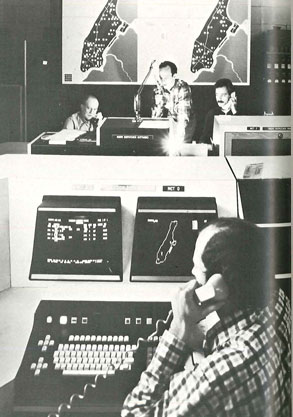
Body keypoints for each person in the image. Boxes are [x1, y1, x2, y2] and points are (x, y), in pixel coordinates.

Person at [122, 218, 291, 417]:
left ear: (217, 287)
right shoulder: (275, 297)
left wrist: (179, 328)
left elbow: (134, 412)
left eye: (197, 268)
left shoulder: (217, 378)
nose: (192, 274)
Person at [151, 61, 196, 144]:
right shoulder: (158, 88)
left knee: (180, 148)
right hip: (170, 121)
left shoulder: (182, 87)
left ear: (174, 76)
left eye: (166, 78)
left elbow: (183, 116)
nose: (162, 81)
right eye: (161, 77)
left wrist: (178, 138)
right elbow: (156, 117)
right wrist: (159, 104)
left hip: (186, 123)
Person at [200, 78, 238, 144]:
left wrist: (234, 110)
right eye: (217, 94)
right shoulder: (212, 114)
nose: (219, 98)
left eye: (223, 95)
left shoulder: (238, 113)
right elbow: (204, 138)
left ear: (231, 95)